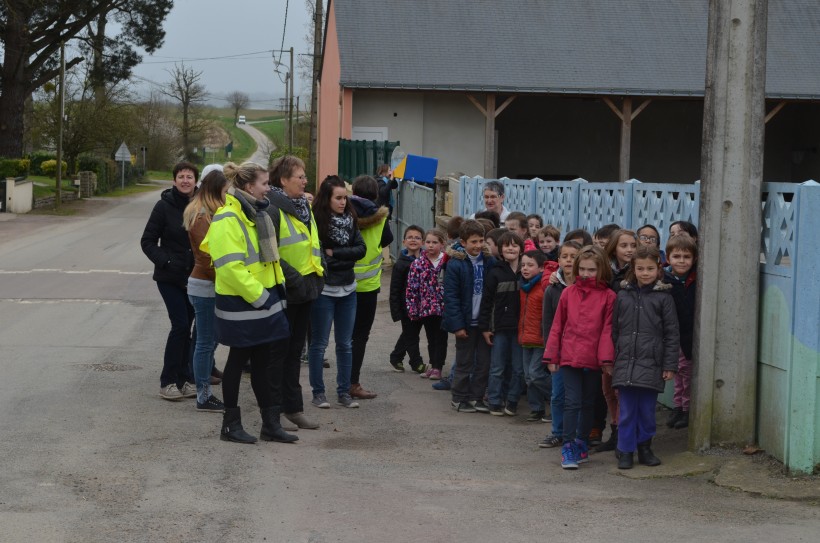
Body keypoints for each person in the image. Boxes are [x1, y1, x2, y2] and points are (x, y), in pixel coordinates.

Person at [201, 161, 297, 444]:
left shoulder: (255, 213)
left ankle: (270, 425)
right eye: (265, 183)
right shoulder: (228, 218)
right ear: (247, 186)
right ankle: (230, 426)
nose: (270, 188)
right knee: (237, 361)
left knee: (262, 363)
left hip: (262, 302)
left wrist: (274, 294)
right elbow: (230, 268)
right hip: (244, 304)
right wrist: (263, 297)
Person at [265, 155, 324, 431]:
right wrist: (297, 280)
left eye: (304, 176)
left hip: (306, 291)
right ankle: (273, 412)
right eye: (299, 176)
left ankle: (294, 408)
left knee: (294, 353)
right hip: (286, 291)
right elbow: (271, 253)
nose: (305, 181)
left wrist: (316, 276)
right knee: (278, 354)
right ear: (283, 180)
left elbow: (312, 244)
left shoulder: (303, 207)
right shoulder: (272, 209)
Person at [544, 245, 615, 469]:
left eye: (591, 270)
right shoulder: (568, 293)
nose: (585, 274)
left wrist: (605, 360)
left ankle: (582, 442)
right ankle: (568, 446)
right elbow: (557, 326)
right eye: (582, 269)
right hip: (569, 356)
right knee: (572, 402)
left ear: (601, 270)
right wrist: (552, 356)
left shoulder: (608, 296)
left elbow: (607, 330)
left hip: (593, 359)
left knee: (588, 403)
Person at [610, 245, 679, 469]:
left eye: (650, 268)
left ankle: (645, 448)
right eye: (640, 268)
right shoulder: (622, 295)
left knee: (647, 411)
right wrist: (616, 357)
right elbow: (615, 330)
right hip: (626, 363)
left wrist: (669, 364)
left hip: (652, 363)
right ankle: (626, 450)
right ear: (633, 269)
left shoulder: (664, 298)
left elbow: (671, 334)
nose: (645, 273)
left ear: (658, 269)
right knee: (628, 411)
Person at [141, 161, 198, 401]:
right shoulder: (163, 206)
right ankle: (168, 381)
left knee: (189, 329)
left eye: (190, 177)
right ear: (174, 180)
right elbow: (147, 241)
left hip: (195, 278)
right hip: (170, 278)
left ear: (196, 181)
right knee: (181, 326)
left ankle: (185, 378)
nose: (185, 180)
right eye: (181, 176)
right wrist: (166, 262)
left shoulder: (201, 206)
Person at [309, 176, 367, 409]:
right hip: (325, 291)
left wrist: (337, 254)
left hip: (348, 290)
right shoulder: (316, 222)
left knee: (345, 344)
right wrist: (340, 256)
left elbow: (361, 250)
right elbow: (321, 259)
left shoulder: (351, 219)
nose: (343, 202)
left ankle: (344, 392)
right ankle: (318, 393)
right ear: (327, 198)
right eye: (338, 198)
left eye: (345, 198)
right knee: (319, 344)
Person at [182, 168, 229, 412]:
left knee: (207, 340)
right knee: (205, 342)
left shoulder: (207, 213)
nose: (226, 196)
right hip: (205, 287)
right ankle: (203, 395)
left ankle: (204, 391)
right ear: (214, 191)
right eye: (224, 191)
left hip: (207, 285)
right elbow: (206, 257)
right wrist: (228, 279)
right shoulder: (201, 217)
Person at [443, 219, 496, 412]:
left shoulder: (490, 261)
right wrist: (457, 325)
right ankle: (459, 397)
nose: (478, 245)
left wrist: (489, 324)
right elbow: (451, 297)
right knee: (464, 362)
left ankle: (476, 397)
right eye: (473, 242)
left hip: (482, 323)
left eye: (481, 240)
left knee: (483, 362)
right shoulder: (456, 264)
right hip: (465, 322)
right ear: (463, 242)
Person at [349, 175, 394, 399]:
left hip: (343, 283)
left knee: (341, 336)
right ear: (376, 194)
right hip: (368, 286)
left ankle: (338, 384)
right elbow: (387, 240)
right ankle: (353, 382)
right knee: (360, 336)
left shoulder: (343, 213)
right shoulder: (381, 217)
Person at [595, 229, 637, 451]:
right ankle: (614, 430)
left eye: (633, 245)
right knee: (608, 388)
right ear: (614, 248)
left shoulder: (638, 271)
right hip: (606, 336)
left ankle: (624, 435)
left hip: (629, 337)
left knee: (622, 389)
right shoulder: (606, 272)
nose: (629, 250)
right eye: (624, 245)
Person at [539, 240, 582, 448]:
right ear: (558, 260)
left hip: (581, 350)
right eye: (564, 256)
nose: (568, 261)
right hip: (559, 351)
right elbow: (547, 324)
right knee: (558, 395)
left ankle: (575, 434)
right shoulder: (552, 289)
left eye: (573, 257)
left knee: (578, 397)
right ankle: (557, 432)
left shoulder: (586, 288)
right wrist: (550, 353)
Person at [478, 231, 524, 416]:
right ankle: (495, 401)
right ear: (500, 250)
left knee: (518, 369)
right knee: (497, 367)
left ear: (521, 249)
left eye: (514, 245)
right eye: (506, 245)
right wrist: (485, 328)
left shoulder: (527, 271)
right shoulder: (495, 272)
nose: (511, 248)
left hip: (521, 329)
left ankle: (512, 401)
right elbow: (486, 302)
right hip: (500, 328)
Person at [405, 228, 450, 380]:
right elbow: (412, 287)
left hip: (443, 308)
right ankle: (432, 365)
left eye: (435, 242)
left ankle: (438, 366)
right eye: (428, 242)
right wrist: (412, 307)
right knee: (431, 338)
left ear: (442, 244)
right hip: (426, 307)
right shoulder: (418, 263)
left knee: (441, 337)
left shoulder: (447, 261)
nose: (430, 245)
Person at [663, 233, 698, 430]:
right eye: (677, 256)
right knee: (677, 372)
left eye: (686, 257)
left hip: (688, 334)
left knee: (687, 372)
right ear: (668, 258)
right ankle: (678, 406)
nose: (682, 261)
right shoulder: (665, 279)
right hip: (671, 334)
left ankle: (686, 409)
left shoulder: (694, 279)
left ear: (694, 259)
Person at [519, 249, 551, 422]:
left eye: (530, 265)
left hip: (540, 338)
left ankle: (556, 401)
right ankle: (536, 408)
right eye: (523, 265)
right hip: (525, 337)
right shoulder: (523, 287)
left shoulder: (544, 287)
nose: (525, 268)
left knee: (536, 374)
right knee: (528, 377)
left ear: (541, 269)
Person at [388, 225, 425, 373]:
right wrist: (397, 311)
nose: (413, 240)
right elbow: (395, 289)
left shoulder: (425, 261)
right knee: (412, 336)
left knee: (410, 334)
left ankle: (396, 356)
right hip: (406, 308)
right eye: (410, 237)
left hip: (422, 306)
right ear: (404, 241)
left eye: (417, 238)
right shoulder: (401, 264)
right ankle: (417, 363)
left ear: (422, 242)